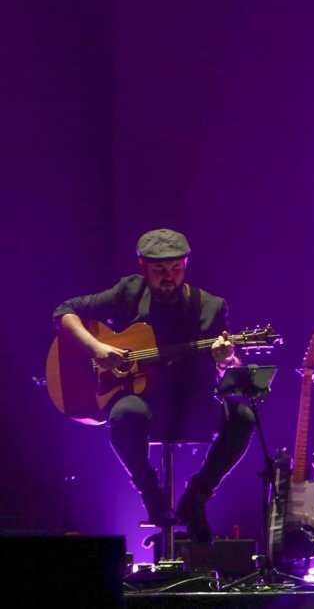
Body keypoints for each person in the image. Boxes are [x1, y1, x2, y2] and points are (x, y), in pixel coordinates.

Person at [53, 228, 254, 543]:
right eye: (160, 271)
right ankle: (149, 490)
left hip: (192, 405)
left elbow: (230, 362)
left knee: (243, 418)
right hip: (145, 401)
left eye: (176, 269)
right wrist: (96, 348)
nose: (169, 278)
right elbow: (64, 312)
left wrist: (226, 359)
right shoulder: (128, 293)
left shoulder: (210, 306)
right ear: (142, 267)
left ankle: (197, 496)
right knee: (124, 414)